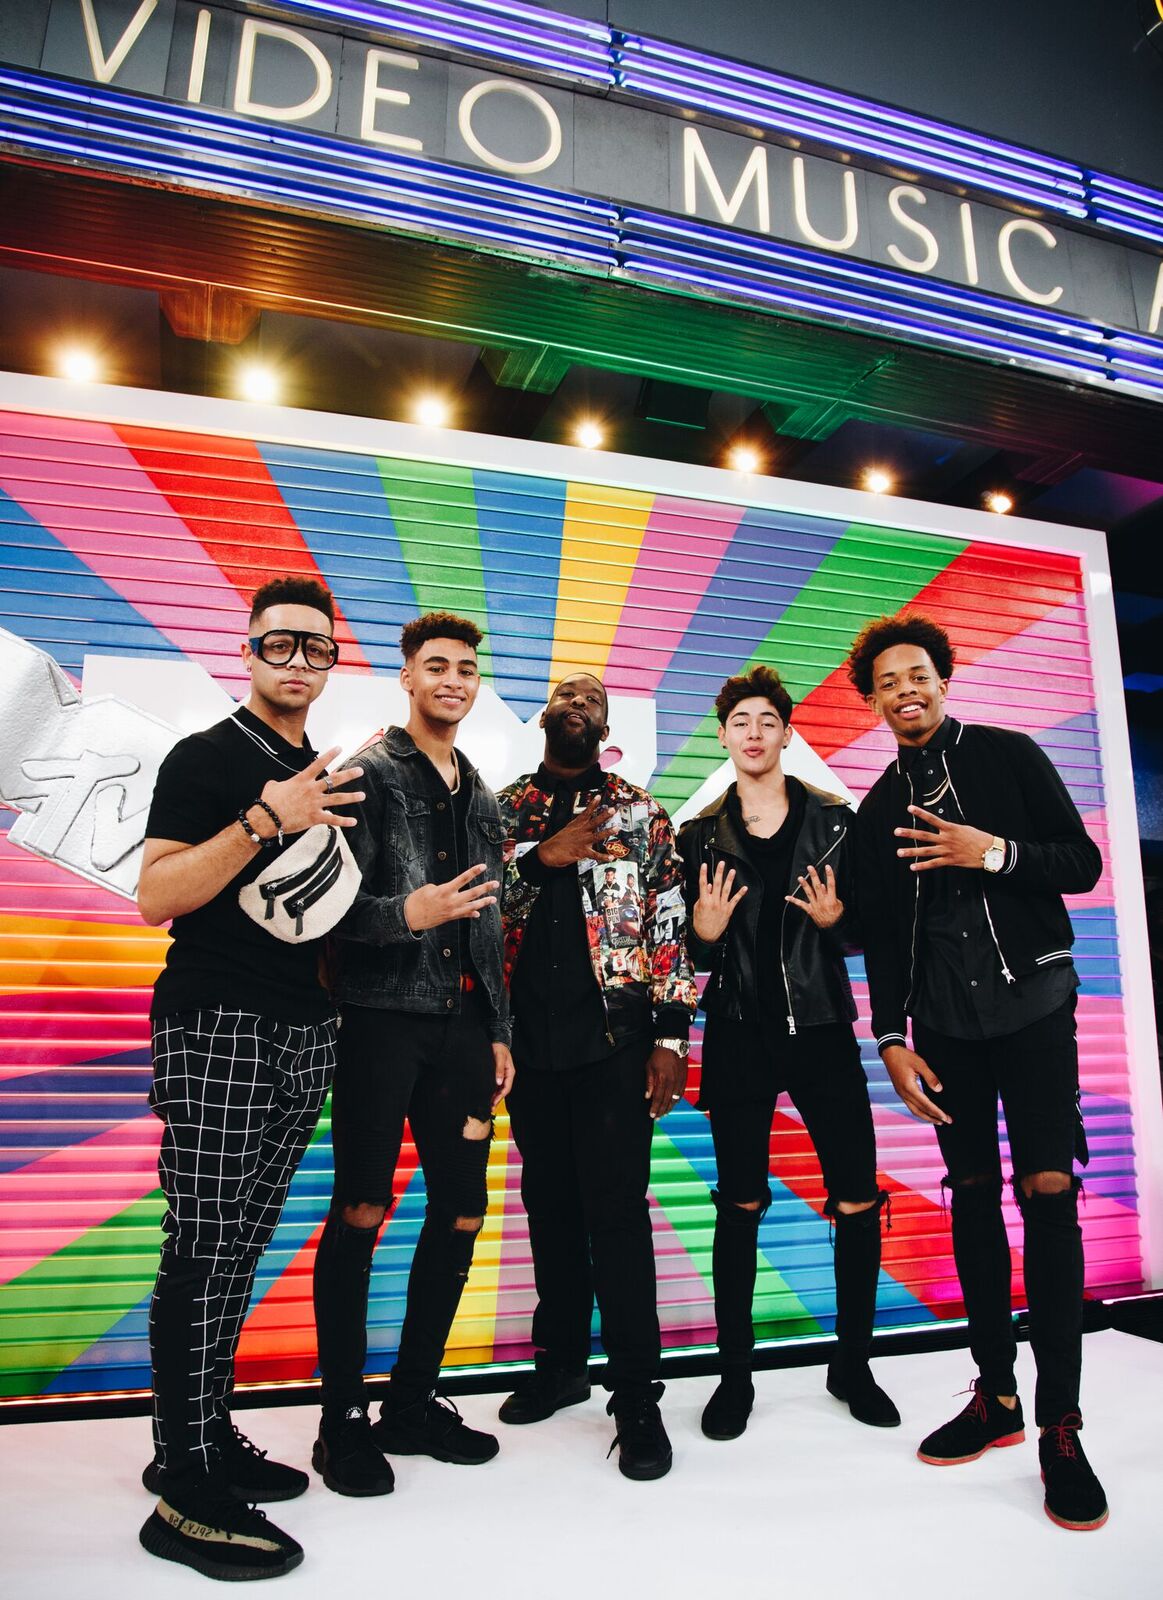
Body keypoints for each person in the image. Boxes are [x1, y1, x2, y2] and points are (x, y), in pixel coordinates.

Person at [847, 611, 1107, 1532]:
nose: (904, 690)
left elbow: (1081, 864)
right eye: (887, 682)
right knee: (968, 1199)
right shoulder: (876, 809)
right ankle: (995, 1397)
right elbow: (882, 938)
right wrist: (889, 1038)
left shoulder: (1007, 754)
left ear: (941, 680)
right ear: (873, 701)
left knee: (1046, 1194)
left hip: (1033, 1006)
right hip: (944, 1029)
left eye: (916, 674)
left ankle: (1060, 1425)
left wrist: (987, 851)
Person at [136, 575, 364, 1581]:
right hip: (217, 1023)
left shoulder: (323, 770)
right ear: (248, 650)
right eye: (280, 643)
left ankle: (201, 1436)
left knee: (240, 1248)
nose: (297, 661)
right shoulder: (207, 757)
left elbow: (326, 912)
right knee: (201, 1244)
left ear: (331, 661)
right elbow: (156, 894)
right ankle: (184, 1492)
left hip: (305, 1030)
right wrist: (265, 821)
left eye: (315, 647)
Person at [311, 612, 514, 1497]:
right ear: (406, 677)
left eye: (465, 668)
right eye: (436, 666)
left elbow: (490, 923)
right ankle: (340, 1422)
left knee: (461, 1213)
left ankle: (411, 1404)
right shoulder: (367, 775)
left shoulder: (484, 795)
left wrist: (500, 1029)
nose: (452, 680)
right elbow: (326, 913)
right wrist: (407, 913)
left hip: (464, 1029)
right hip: (377, 1022)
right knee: (361, 1209)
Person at [678, 665, 898, 1441]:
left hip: (822, 1026)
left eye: (766, 720)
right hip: (737, 1031)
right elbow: (684, 955)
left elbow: (869, 929)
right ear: (723, 735)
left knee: (856, 1198)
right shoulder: (697, 834)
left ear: (785, 732)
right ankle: (733, 1377)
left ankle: (853, 1366)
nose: (753, 732)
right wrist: (701, 938)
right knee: (739, 1204)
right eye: (740, 721)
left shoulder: (836, 821)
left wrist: (840, 924)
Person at [495, 672, 698, 1479]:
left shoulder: (641, 814)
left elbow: (669, 927)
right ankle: (560, 1366)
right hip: (528, 1047)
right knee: (547, 1208)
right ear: (544, 716)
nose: (577, 705)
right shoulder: (501, 811)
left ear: (604, 731)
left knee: (615, 1215)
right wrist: (540, 858)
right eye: (566, 696)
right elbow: (480, 913)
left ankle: (636, 1396)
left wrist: (671, 1037)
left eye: (592, 703)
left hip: (614, 1041)